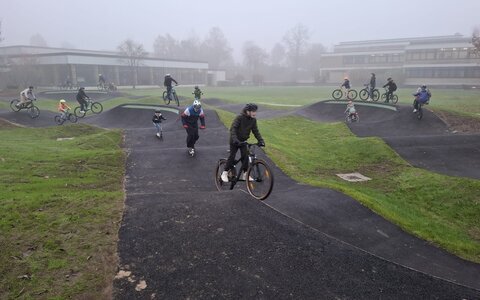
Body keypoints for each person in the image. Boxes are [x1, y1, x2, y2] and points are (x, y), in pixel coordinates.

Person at [221, 103, 265, 183]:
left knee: (245, 157)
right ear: (247, 111)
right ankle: (224, 173)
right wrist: (235, 140)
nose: (255, 113)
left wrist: (260, 140)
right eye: (253, 111)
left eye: (255, 111)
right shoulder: (239, 118)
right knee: (232, 155)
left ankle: (245, 174)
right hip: (235, 141)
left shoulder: (253, 120)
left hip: (243, 141)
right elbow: (233, 129)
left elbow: (255, 131)